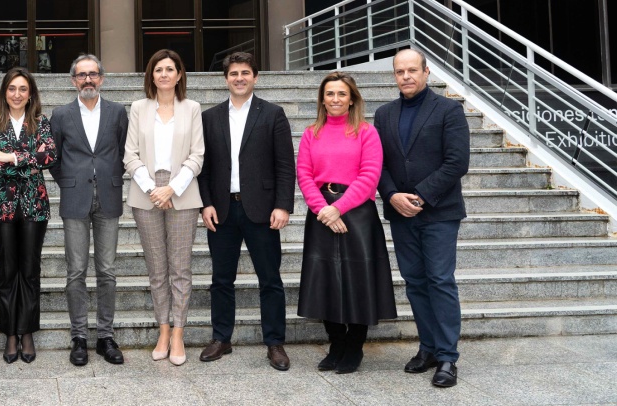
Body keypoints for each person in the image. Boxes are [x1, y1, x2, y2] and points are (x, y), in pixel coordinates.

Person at [375, 48, 470, 387]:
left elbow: (457, 162)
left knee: (440, 280)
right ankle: (428, 347)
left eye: (412, 70)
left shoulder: (448, 110)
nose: (406, 76)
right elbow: (378, 164)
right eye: (400, 71)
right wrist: (391, 195)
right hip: (401, 213)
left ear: (426, 72)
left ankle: (447, 357)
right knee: (415, 282)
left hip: (440, 212)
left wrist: (421, 195)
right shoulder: (384, 114)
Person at [196, 52, 295, 370]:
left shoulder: (273, 114)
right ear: (226, 79)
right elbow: (205, 168)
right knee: (221, 279)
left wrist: (283, 205)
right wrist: (206, 203)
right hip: (222, 210)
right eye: (234, 73)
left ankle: (275, 343)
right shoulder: (210, 117)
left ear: (256, 77)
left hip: (262, 210)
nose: (239, 78)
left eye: (245, 73)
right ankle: (221, 338)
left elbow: (284, 165)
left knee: (270, 279)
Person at [296, 71, 397, 374]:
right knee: (325, 280)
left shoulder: (366, 132)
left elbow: (369, 176)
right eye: (330, 94)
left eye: (341, 94)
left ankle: (354, 346)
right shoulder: (311, 133)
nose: (335, 99)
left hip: (357, 214)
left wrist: (338, 208)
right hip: (321, 214)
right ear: (322, 99)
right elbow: (304, 175)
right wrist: (323, 209)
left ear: (352, 98)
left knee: (358, 280)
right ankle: (336, 342)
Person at [123, 49, 204, 366]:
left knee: (180, 270)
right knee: (157, 270)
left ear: (179, 74)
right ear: (151, 75)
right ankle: (163, 330)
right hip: (146, 193)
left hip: (182, 192)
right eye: (158, 69)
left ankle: (179, 335)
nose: (164, 74)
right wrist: (153, 189)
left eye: (170, 69)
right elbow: (129, 154)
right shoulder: (139, 108)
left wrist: (172, 187)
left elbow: (197, 155)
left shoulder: (192, 108)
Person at [49, 54, 129, 366]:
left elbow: (123, 151)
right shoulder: (62, 114)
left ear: (102, 78)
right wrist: (69, 181)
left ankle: (105, 336)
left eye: (93, 74)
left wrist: (108, 177)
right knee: (76, 271)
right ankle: (79, 337)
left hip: (108, 196)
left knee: (107, 270)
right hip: (75, 198)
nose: (88, 80)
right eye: (82, 75)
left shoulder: (118, 112)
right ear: (73, 80)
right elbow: (53, 156)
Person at [0, 67, 57, 364]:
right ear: (4, 92)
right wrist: (27, 160)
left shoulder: (41, 122)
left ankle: (26, 332)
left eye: (22, 89)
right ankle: (10, 333)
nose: (17, 94)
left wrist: (9, 156)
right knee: (7, 270)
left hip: (34, 206)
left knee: (30, 270)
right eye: (12, 88)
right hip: (1, 207)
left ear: (30, 94)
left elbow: (49, 156)